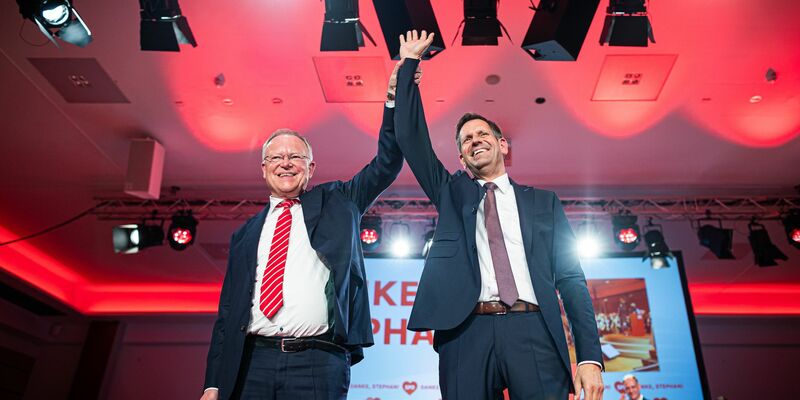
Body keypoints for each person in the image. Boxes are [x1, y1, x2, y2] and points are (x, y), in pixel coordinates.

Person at [393, 30, 604, 400]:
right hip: (465, 334)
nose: (474, 140)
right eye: (466, 140)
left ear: (503, 144)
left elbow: (571, 280)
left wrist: (589, 357)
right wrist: (409, 65)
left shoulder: (543, 203)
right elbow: (412, 139)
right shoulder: (451, 193)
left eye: (481, 134)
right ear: (460, 159)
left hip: (534, 328)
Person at [199, 61, 418, 400]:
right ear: (263, 170)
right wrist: (213, 383)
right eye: (276, 158)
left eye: (295, 157)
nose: (285, 162)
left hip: (318, 362)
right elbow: (227, 314)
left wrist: (393, 100)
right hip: (250, 362)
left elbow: (387, 162)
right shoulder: (245, 234)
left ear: (311, 167)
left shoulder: (338, 201)